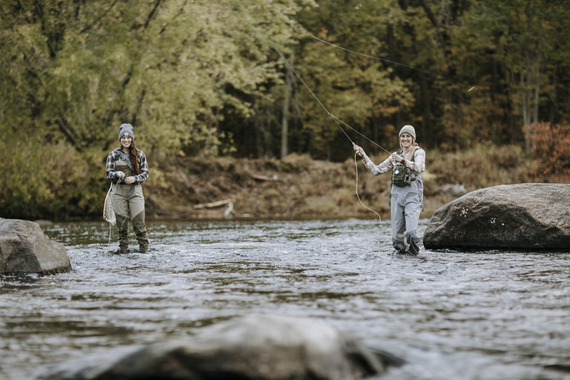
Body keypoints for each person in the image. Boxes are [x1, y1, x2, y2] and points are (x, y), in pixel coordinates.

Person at [353, 125, 425, 255]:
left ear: (413, 139)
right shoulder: (394, 156)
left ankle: (415, 259)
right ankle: (400, 262)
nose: (405, 139)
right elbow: (376, 170)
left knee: (411, 234)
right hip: (396, 196)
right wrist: (363, 155)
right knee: (397, 239)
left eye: (408, 136)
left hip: (413, 196)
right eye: (402, 136)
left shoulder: (419, 152)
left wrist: (403, 161)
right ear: (400, 139)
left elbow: (420, 168)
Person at [106, 123, 150, 254]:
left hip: (135, 192)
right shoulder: (113, 155)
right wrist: (116, 174)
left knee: (139, 224)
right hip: (118, 193)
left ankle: (144, 252)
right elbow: (108, 174)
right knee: (122, 227)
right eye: (123, 138)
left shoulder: (140, 155)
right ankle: (123, 251)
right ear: (120, 139)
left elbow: (145, 173)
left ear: (132, 139)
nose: (126, 140)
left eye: (128, 137)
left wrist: (135, 178)